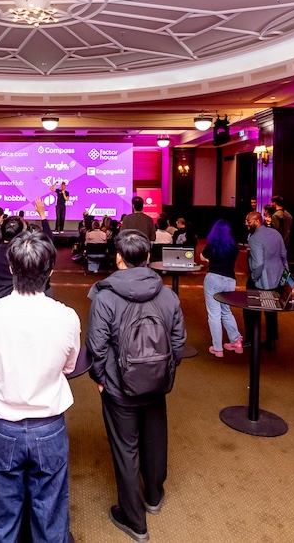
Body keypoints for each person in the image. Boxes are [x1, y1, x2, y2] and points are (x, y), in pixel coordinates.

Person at [0, 230, 80, 543]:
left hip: (4, 426)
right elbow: (69, 367)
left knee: (1, 514)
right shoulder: (67, 317)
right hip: (50, 427)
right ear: (51, 270)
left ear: (11, 268)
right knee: (50, 513)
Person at [86, 229, 186, 542]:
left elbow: (96, 346)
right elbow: (178, 342)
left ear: (119, 258)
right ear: (147, 257)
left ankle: (134, 520)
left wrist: (100, 379)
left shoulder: (104, 297)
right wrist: (164, 371)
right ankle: (154, 496)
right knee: (155, 439)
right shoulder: (168, 295)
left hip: (118, 387)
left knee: (125, 449)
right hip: (156, 384)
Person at [240, 211, 288, 351]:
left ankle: (251, 339)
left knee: (250, 309)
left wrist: (254, 277)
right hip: (277, 277)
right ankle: (271, 340)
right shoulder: (276, 233)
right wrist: (285, 273)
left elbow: (259, 263)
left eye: (248, 221)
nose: (246, 223)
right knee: (271, 310)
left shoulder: (255, 238)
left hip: (261, 279)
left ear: (257, 221)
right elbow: (283, 254)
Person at [202, 219, 242, 357]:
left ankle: (218, 348)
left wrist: (209, 259)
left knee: (214, 314)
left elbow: (202, 256)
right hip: (230, 280)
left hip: (213, 278)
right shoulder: (234, 246)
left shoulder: (212, 244)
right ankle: (236, 341)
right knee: (226, 311)